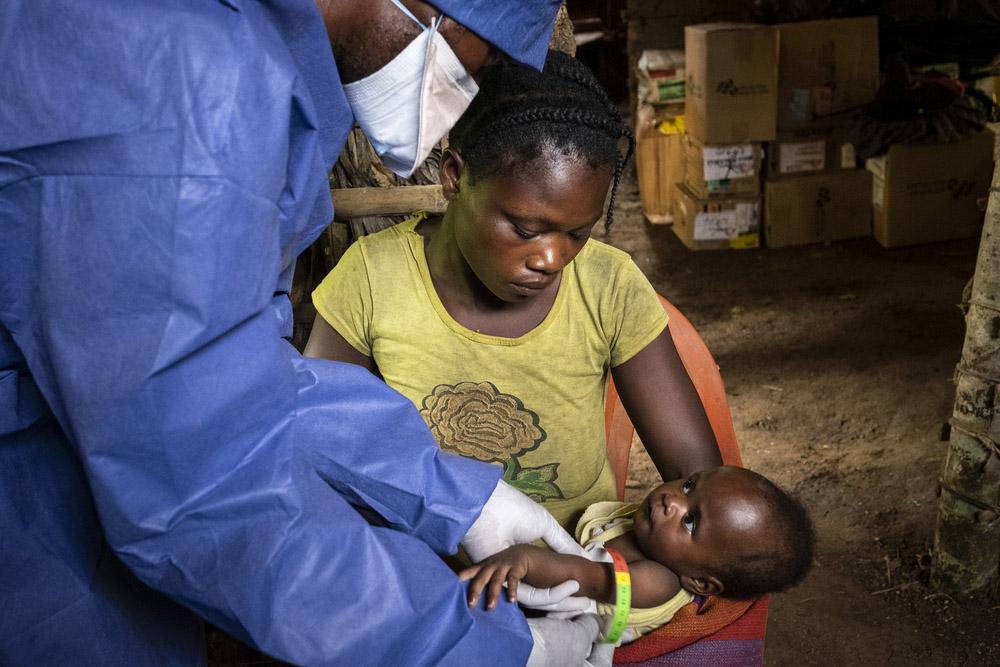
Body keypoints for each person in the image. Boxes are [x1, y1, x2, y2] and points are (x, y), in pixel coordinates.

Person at [0, 1, 606, 665]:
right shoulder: (195, 85)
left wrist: (459, 496)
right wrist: (485, 647)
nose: (465, 90)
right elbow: (209, 489)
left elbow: (232, 369)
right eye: (479, 56)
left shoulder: (240, 59)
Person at [306, 51, 723, 533]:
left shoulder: (609, 286)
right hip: (427, 571)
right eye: (526, 229)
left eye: (578, 234)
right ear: (454, 177)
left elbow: (705, 486)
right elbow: (316, 447)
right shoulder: (372, 279)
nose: (551, 259)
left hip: (576, 564)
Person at [460, 466, 815, 644]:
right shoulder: (647, 532)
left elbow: (586, 577)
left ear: (700, 581)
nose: (672, 500)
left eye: (690, 521)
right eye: (689, 485)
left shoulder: (656, 583)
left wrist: (523, 558)